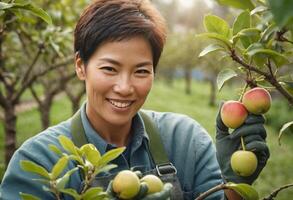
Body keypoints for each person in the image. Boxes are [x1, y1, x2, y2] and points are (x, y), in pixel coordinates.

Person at [0, 0, 269, 199]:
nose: (125, 87)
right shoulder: (40, 162)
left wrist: (232, 185)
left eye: (141, 71)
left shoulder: (186, 141)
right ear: (81, 66)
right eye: (109, 69)